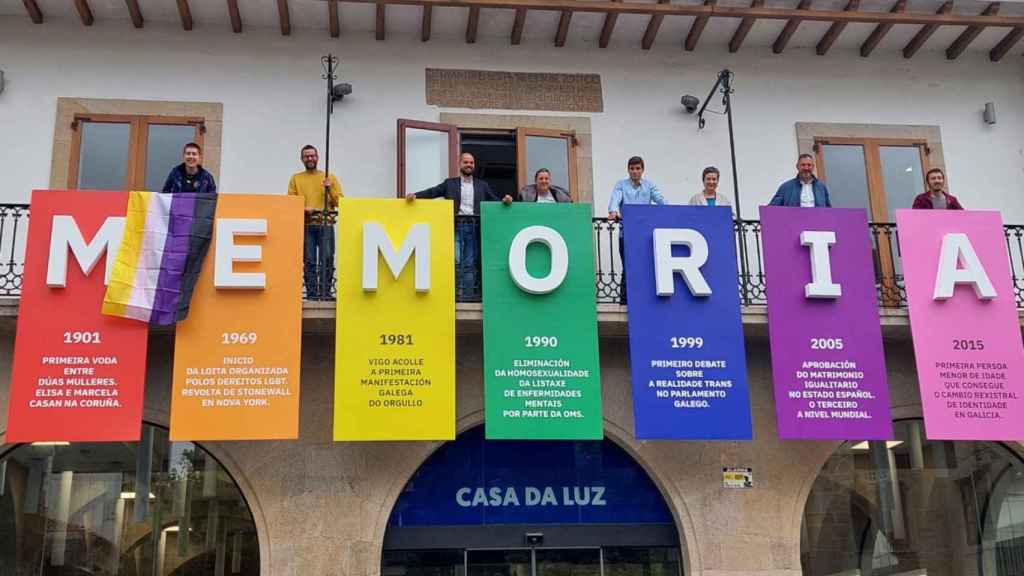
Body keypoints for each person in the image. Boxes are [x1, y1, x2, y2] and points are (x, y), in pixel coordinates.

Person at [405, 152, 513, 299]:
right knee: (456, 259)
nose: (469, 165)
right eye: (466, 162)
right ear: (460, 164)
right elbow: (433, 192)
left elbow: (494, 201)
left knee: (469, 262)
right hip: (456, 227)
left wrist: (505, 200)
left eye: (472, 163)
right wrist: (416, 195)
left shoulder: (482, 185)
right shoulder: (450, 183)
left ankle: (466, 295)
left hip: (474, 228)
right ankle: (455, 293)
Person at [288, 144, 342, 300]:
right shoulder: (296, 178)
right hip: (306, 224)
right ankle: (312, 293)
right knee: (309, 260)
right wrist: (303, 208)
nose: (310, 158)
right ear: (302, 159)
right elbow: (291, 200)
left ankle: (325, 293)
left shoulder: (328, 177)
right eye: (307, 156)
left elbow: (340, 201)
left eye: (312, 156)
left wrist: (329, 188)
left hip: (326, 223)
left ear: (317, 157)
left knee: (326, 258)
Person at [608, 156, 664, 305]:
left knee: (645, 266)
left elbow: (661, 200)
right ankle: (624, 300)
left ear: (642, 170)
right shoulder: (621, 185)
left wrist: (667, 211)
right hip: (626, 235)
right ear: (628, 170)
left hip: (645, 235)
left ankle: (644, 299)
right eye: (632, 168)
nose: (635, 171)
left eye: (637, 168)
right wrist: (614, 211)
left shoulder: (649, 186)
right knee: (628, 267)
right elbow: (615, 200)